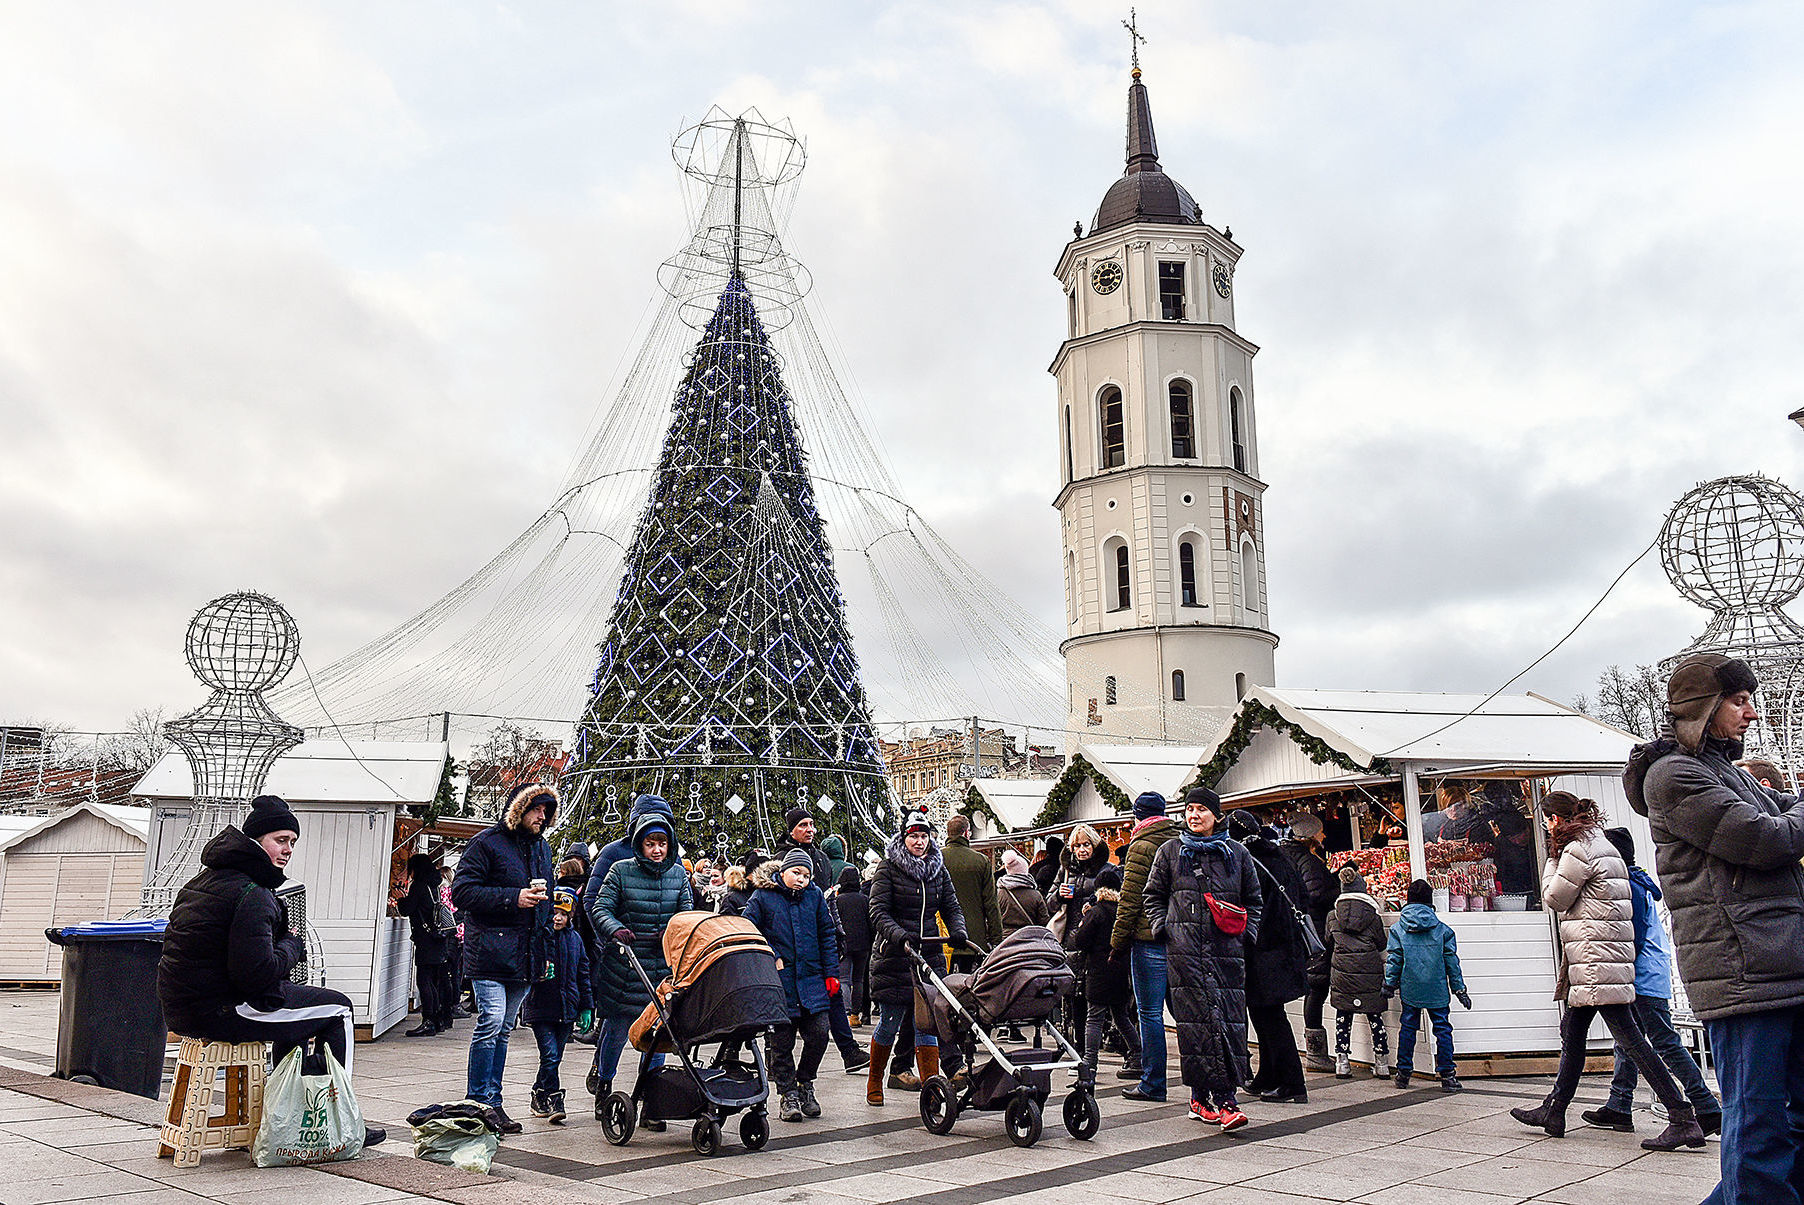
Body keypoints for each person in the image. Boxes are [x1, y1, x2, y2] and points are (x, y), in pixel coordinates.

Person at [1627, 654, 1804, 1203]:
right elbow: (1765, 838)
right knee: (1758, 1122)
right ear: (1702, 709)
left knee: (1788, 1123)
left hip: (1779, 962)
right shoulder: (1674, 775)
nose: (1751, 714)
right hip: (1744, 973)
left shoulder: (1722, 771)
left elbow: (1785, 808)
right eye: (1739, 701)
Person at [157, 795, 385, 1149]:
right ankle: (339, 1118)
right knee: (338, 1009)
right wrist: (292, 946)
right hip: (224, 1010)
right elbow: (257, 975)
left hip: (184, 1010)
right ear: (255, 841)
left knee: (297, 1016)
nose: (288, 849)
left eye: (292, 842)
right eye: (280, 839)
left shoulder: (201, 883)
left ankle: (286, 1114)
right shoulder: (252, 893)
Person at [1509, 792, 1704, 1149]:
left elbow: (1554, 898)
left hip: (1596, 962)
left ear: (1556, 820)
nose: (1546, 827)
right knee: (1574, 1032)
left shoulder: (1577, 850)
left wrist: (1552, 857)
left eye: (1547, 821)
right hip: (1600, 958)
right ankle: (1554, 1108)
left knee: (1633, 1042)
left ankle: (1682, 1115)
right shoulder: (1600, 844)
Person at [1582, 827, 1722, 1135]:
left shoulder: (1629, 886)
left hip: (1641, 976)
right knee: (1627, 1042)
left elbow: (1631, 937)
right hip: (1647, 973)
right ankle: (1619, 1105)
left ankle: (1707, 1107)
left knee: (1663, 1041)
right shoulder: (1637, 880)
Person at [1143, 789, 1262, 1130]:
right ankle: (1220, 1100)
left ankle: (1208, 1097)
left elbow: (1254, 898)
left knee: (1226, 1020)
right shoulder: (1170, 852)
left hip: (1227, 952)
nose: (1194, 815)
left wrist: (1245, 934)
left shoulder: (1236, 854)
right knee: (1195, 1024)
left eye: (1201, 810)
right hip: (1185, 953)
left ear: (1217, 815)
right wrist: (1165, 929)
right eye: (1189, 809)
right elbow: (1152, 895)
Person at [452, 781, 559, 1133]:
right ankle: (476, 1101)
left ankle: (492, 1103)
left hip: (525, 954)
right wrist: (514, 897)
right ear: (519, 809)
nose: (542, 816)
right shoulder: (486, 843)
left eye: (547, 810)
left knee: (503, 1029)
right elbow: (462, 892)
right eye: (536, 809)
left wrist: (543, 950)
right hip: (489, 951)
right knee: (491, 1021)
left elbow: (548, 902)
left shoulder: (542, 849)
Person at [587, 807, 691, 1124]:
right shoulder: (620, 870)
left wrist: (674, 929)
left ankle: (652, 1097)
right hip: (625, 963)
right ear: (639, 845)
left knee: (658, 1031)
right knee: (618, 1029)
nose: (657, 850)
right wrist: (615, 929)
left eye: (661, 843)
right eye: (650, 843)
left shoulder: (678, 874)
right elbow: (599, 907)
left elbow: (686, 913)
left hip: (661, 964)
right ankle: (604, 1085)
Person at [863, 807, 969, 1107]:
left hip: (929, 953)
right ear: (904, 838)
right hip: (894, 957)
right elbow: (878, 911)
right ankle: (875, 1080)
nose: (919, 842)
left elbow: (951, 906)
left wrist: (958, 930)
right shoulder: (888, 868)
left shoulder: (938, 868)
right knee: (890, 1022)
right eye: (914, 836)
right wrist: (898, 935)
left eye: (924, 836)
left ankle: (931, 1088)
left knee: (928, 1023)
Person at [744, 849, 840, 1121]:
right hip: (779, 981)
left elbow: (827, 934)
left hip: (811, 978)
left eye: (807, 875)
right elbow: (749, 927)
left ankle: (805, 1082)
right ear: (783, 872)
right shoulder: (763, 896)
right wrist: (771, 954)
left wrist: (831, 972)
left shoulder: (815, 897)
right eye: (797, 873)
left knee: (820, 1033)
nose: (801, 880)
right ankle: (787, 1094)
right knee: (781, 1042)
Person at [776, 809, 871, 1077]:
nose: (810, 829)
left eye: (812, 824)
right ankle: (779, 1062)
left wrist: (837, 934)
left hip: (818, 940)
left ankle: (848, 1051)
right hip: (791, 945)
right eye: (803, 825)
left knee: (834, 994)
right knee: (791, 1011)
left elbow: (829, 901)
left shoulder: (821, 859)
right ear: (792, 829)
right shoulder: (781, 858)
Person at [1227, 810, 1309, 1103]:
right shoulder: (1279, 857)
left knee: (1271, 1017)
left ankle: (1293, 1083)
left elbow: (1243, 907)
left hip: (1264, 951)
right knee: (1265, 1015)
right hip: (1284, 949)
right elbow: (1304, 896)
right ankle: (1268, 1074)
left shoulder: (1248, 861)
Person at [1112, 790, 1181, 1102]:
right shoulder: (1181, 839)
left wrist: (1117, 942)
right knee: (1188, 1012)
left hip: (1148, 939)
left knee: (1150, 1013)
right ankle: (1205, 1081)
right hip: (1181, 938)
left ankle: (1153, 1083)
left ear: (1137, 815)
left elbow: (1130, 899)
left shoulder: (1141, 844)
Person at [1384, 879, 1467, 1093]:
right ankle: (1448, 1075)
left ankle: (1403, 1074)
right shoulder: (1443, 931)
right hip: (1437, 988)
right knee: (1442, 1030)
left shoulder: (1397, 930)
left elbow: (1395, 960)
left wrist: (1389, 984)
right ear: (1430, 902)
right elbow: (1452, 962)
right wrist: (1459, 989)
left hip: (1411, 987)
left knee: (1408, 1029)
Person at [523, 889, 592, 1124]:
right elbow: (524, 967)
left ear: (570, 914)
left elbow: (583, 974)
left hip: (567, 1008)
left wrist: (586, 1007)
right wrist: (537, 975)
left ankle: (538, 1093)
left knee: (554, 1058)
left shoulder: (575, 940)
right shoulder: (537, 937)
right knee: (550, 1055)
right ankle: (554, 1098)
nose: (557, 918)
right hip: (541, 1007)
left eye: (563, 913)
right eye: (553, 912)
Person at [1071, 863, 1140, 1077]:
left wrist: (1083, 921)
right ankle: (1138, 1054)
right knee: (1121, 1016)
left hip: (1098, 972)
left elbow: (1081, 941)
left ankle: (1089, 1062)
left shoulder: (1096, 912)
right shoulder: (1122, 912)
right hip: (1120, 971)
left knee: (1094, 1017)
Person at [1280, 813, 1335, 1072]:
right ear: (1312, 835)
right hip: (1315, 929)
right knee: (1317, 987)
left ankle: (1310, 1050)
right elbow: (1316, 894)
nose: (1323, 835)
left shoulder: (1284, 855)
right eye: (1320, 831)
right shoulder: (1309, 861)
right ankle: (1316, 1052)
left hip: (1294, 930)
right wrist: (1335, 885)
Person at [1327, 864, 1389, 1079]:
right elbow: (1382, 946)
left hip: (1342, 974)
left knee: (1343, 1017)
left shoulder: (1332, 916)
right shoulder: (1373, 917)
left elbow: (1328, 941)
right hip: (1369, 972)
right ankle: (1382, 1063)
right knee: (1375, 1016)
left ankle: (1342, 1062)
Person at [1051, 824, 1111, 1046]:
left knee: (1094, 995)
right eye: (1077, 846)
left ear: (1094, 845)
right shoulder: (1065, 871)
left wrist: (1095, 902)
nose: (1082, 850)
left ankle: (1096, 1042)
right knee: (1075, 996)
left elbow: (1117, 901)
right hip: (1072, 941)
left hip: (1098, 940)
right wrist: (1059, 895)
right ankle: (1079, 1044)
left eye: (1086, 844)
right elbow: (1049, 903)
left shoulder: (1107, 870)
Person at [398, 853, 458, 1036]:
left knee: (424, 980)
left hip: (426, 939)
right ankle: (442, 1018)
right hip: (439, 938)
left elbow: (406, 909)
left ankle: (429, 1021)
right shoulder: (435, 886)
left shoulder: (418, 886)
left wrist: (401, 897)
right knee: (438, 980)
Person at [831, 866, 873, 1025]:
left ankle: (846, 1013)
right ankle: (856, 1014)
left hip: (844, 944)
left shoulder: (838, 900)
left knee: (844, 979)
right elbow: (871, 923)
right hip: (863, 945)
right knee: (859, 980)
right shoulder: (864, 899)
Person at [996, 848, 1051, 938]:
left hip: (1005, 939)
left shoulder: (999, 893)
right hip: (1029, 938)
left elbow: (992, 919)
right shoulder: (1035, 895)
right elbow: (1044, 921)